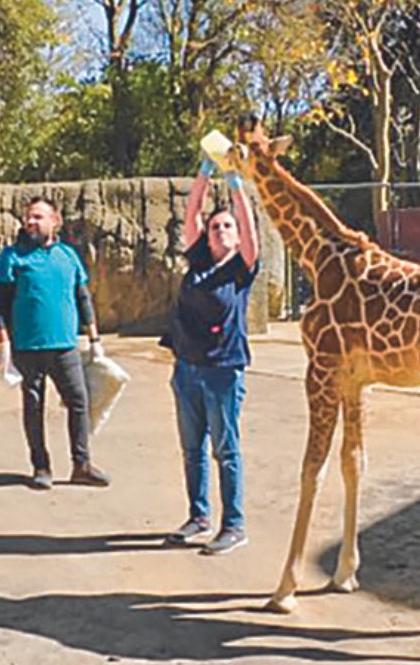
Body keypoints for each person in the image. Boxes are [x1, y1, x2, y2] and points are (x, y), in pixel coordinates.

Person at [160, 156, 260, 555]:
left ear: (237, 238)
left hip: (223, 372)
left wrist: (235, 182)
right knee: (192, 449)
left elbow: (249, 226)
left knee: (226, 450)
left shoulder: (241, 268)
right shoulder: (198, 259)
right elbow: (191, 211)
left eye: (227, 226)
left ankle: (233, 524)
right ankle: (198, 517)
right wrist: (204, 172)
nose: (220, 229)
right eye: (216, 226)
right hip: (186, 370)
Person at [0, 197, 111, 490]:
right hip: (27, 347)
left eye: (38, 217)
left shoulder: (68, 256)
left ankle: (81, 464)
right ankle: (40, 466)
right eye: (28, 217)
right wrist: (3, 339)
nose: (31, 222)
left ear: (54, 220)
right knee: (34, 405)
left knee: (79, 401)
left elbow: (83, 298)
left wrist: (95, 339)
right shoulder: (12, 257)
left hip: (65, 346)